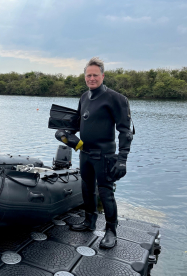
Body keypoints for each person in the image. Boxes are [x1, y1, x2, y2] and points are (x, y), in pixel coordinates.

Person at [67, 57, 134, 249]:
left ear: (102, 76)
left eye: (95, 75)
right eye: (88, 75)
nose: (92, 78)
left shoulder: (116, 99)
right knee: (87, 189)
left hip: (104, 155)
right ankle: (89, 222)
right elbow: (78, 122)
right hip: (85, 152)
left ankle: (111, 231)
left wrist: (122, 159)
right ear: (84, 77)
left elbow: (125, 132)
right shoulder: (84, 97)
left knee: (105, 193)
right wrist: (65, 133)